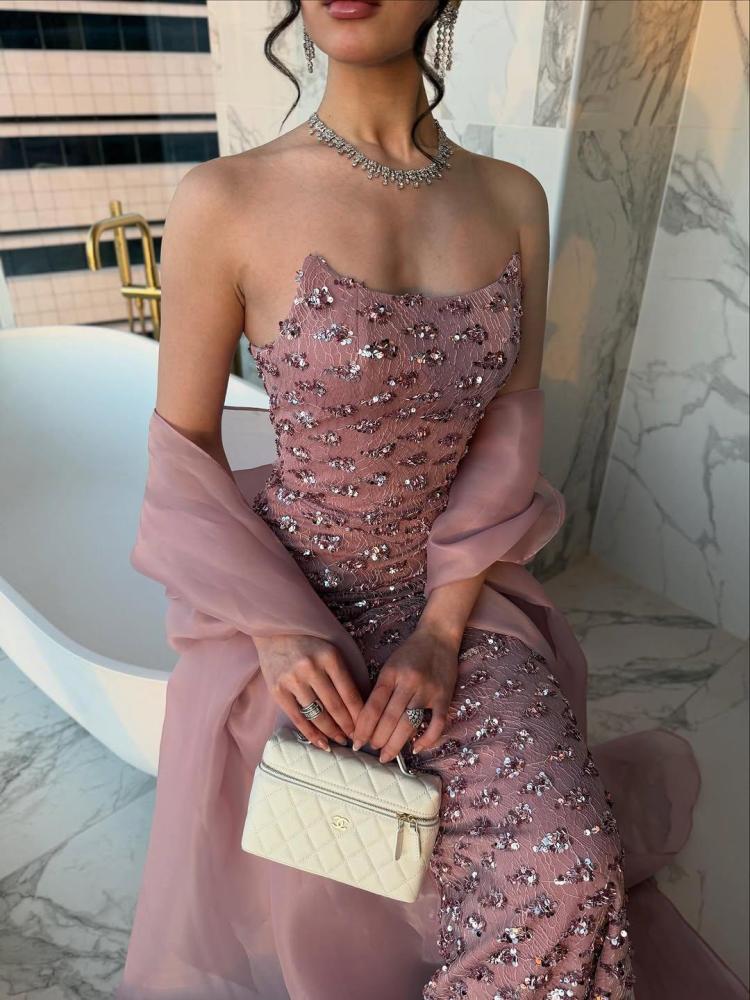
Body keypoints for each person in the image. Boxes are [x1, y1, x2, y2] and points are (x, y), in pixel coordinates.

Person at [117, 3, 745, 999]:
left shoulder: (512, 198)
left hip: (457, 598)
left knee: (572, 865)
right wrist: (279, 631)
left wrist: (443, 629)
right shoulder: (225, 199)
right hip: (287, 604)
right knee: (351, 850)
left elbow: (509, 433)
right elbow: (181, 451)